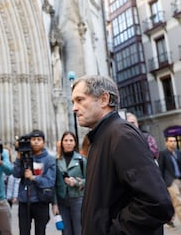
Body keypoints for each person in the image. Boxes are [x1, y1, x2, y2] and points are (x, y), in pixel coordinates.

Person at [71, 74, 173, 234]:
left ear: (104, 99)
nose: (74, 108)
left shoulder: (122, 135)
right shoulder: (101, 137)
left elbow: (156, 203)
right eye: (73, 102)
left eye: (80, 100)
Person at [12, 129, 56, 235]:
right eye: (33, 139)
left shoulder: (50, 159)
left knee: (40, 232)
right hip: (24, 200)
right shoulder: (24, 156)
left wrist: (34, 178)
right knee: (24, 231)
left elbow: (50, 181)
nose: (36, 142)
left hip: (41, 201)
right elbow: (16, 174)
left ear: (44, 142)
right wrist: (18, 155)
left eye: (39, 139)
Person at [52, 131, 86, 235]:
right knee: (65, 231)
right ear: (62, 143)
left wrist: (76, 182)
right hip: (62, 200)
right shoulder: (57, 161)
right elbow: (53, 184)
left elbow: (89, 180)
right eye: (66, 140)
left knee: (78, 229)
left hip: (77, 199)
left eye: (71, 140)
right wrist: (54, 203)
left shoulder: (81, 160)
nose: (68, 143)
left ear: (75, 143)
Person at [158, 136, 181, 228]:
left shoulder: (178, 153)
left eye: (174, 141)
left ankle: (169, 219)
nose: (173, 143)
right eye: (171, 141)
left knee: (173, 202)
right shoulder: (163, 154)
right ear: (166, 143)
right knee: (178, 202)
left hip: (179, 179)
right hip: (170, 181)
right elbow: (160, 169)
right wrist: (162, 183)